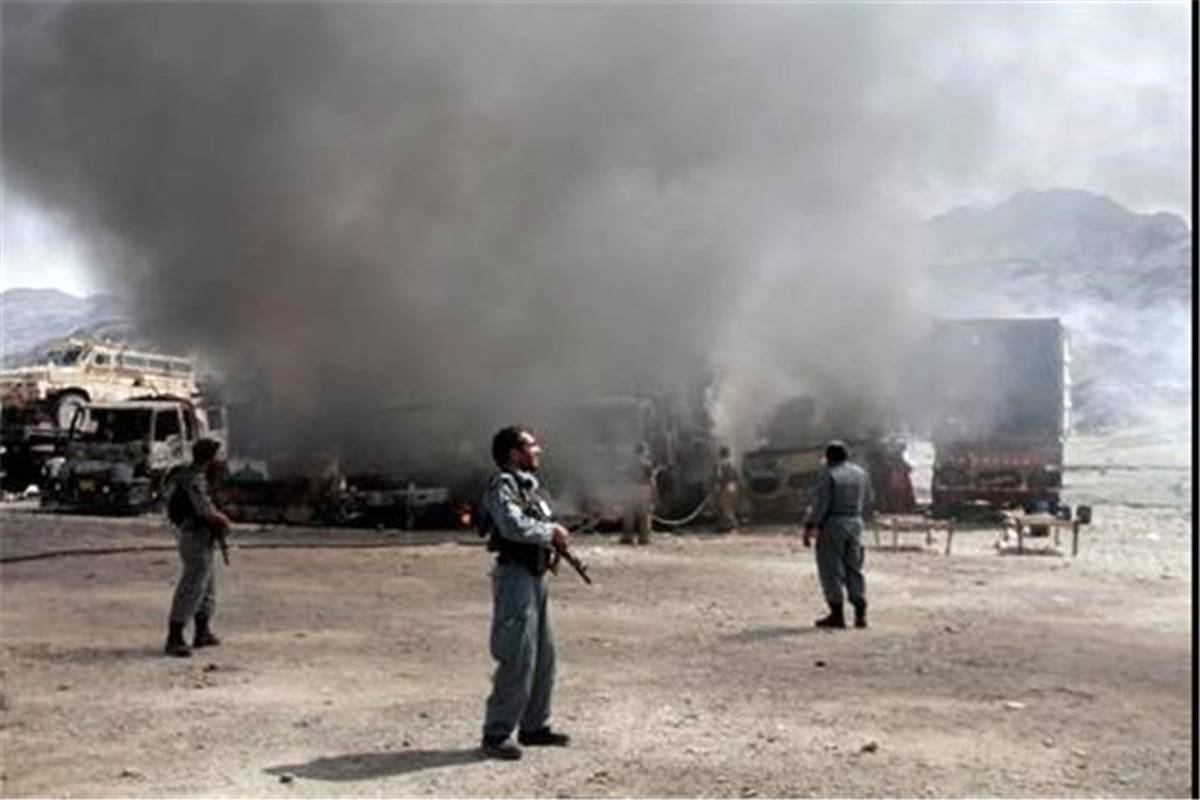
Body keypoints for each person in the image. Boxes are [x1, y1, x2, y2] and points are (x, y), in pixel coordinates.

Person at [478, 426, 573, 760]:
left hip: (535, 576)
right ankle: (497, 732)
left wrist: (553, 535)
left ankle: (534, 726)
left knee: (543, 656)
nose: (538, 450)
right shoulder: (502, 484)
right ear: (514, 453)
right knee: (517, 653)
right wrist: (549, 530)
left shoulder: (529, 488)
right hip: (515, 576)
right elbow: (511, 525)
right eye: (531, 445)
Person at [164, 438, 232, 657]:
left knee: (207, 586)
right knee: (193, 585)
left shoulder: (200, 477)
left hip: (203, 537)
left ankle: (202, 631)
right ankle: (175, 636)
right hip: (194, 535)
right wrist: (223, 521)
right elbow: (204, 511)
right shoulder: (191, 479)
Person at [802, 440, 870, 629]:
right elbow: (867, 499)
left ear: (828, 457)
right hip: (855, 523)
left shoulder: (829, 474)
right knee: (854, 568)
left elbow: (821, 504)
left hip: (833, 524)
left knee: (831, 569)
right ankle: (860, 613)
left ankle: (837, 615)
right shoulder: (860, 474)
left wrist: (810, 526)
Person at [621, 442, 657, 545]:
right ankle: (644, 538)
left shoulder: (629, 465)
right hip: (644, 490)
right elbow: (652, 481)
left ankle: (628, 537)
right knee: (644, 516)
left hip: (630, 490)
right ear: (644, 452)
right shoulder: (647, 465)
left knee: (629, 515)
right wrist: (654, 495)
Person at [712, 445, 740, 532]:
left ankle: (732, 525)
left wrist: (731, 484)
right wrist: (715, 484)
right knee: (720, 507)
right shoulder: (718, 465)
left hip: (727, 487)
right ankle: (722, 525)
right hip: (720, 488)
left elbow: (734, 476)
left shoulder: (730, 465)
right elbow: (715, 476)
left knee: (726, 507)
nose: (722, 458)